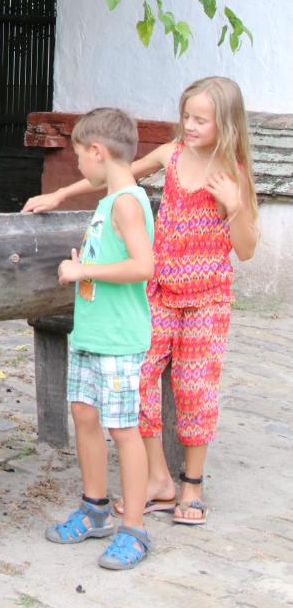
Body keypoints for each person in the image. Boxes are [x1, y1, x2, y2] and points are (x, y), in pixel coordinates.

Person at [25, 76, 259, 527]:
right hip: (160, 292)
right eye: (186, 116)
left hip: (207, 299)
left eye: (201, 120)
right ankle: (158, 479)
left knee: (194, 387)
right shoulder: (171, 155)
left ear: (226, 124)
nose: (189, 126)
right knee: (139, 378)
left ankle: (192, 484)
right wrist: (61, 193)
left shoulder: (232, 174)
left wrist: (235, 206)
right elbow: (117, 173)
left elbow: (246, 250)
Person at [42, 107, 155, 570]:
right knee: (84, 414)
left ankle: (135, 530)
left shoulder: (126, 202)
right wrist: (85, 263)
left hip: (119, 337)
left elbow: (143, 266)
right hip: (92, 331)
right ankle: (95, 509)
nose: (78, 166)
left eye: (78, 157)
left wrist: (82, 269)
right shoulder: (109, 200)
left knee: (123, 429)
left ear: (97, 151)